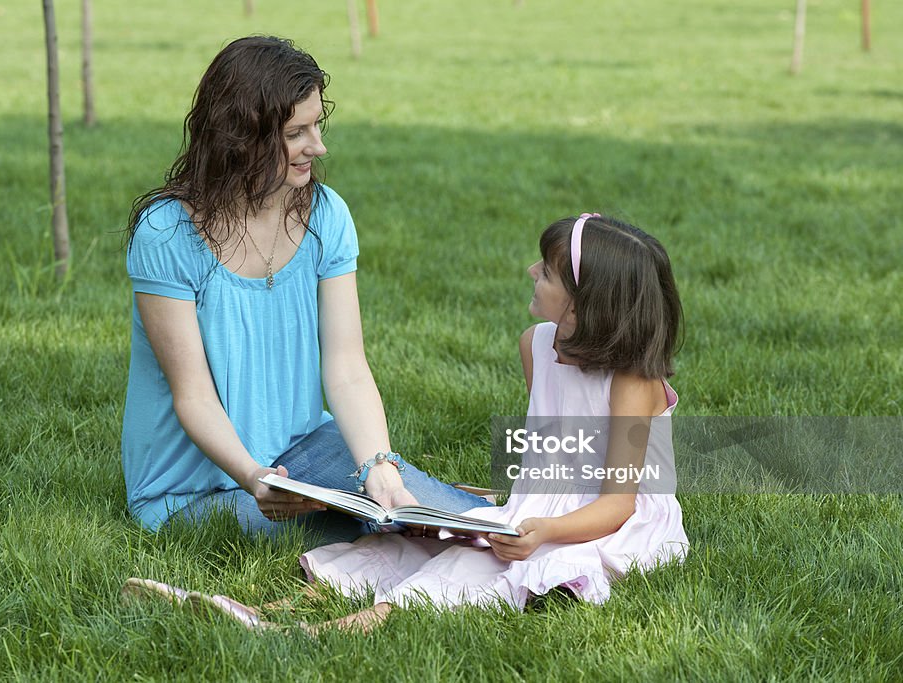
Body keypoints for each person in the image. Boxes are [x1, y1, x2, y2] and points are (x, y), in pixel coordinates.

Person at [136, 212, 690, 632]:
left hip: (616, 523)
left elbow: (618, 501)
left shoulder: (632, 382)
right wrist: (508, 505)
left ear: (582, 306)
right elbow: (558, 459)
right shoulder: (536, 346)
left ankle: (316, 632)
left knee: (469, 572)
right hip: (549, 507)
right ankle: (248, 610)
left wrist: (543, 528)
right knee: (408, 543)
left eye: (545, 272)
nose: (530, 273)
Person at [120, 36, 491, 544]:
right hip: (197, 490)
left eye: (317, 124)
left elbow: (347, 367)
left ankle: (516, 522)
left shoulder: (326, 214)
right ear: (241, 138)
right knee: (382, 536)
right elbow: (194, 396)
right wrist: (256, 478)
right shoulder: (167, 234)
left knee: (454, 526)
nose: (318, 146)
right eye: (297, 132)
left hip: (307, 449)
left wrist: (379, 466)